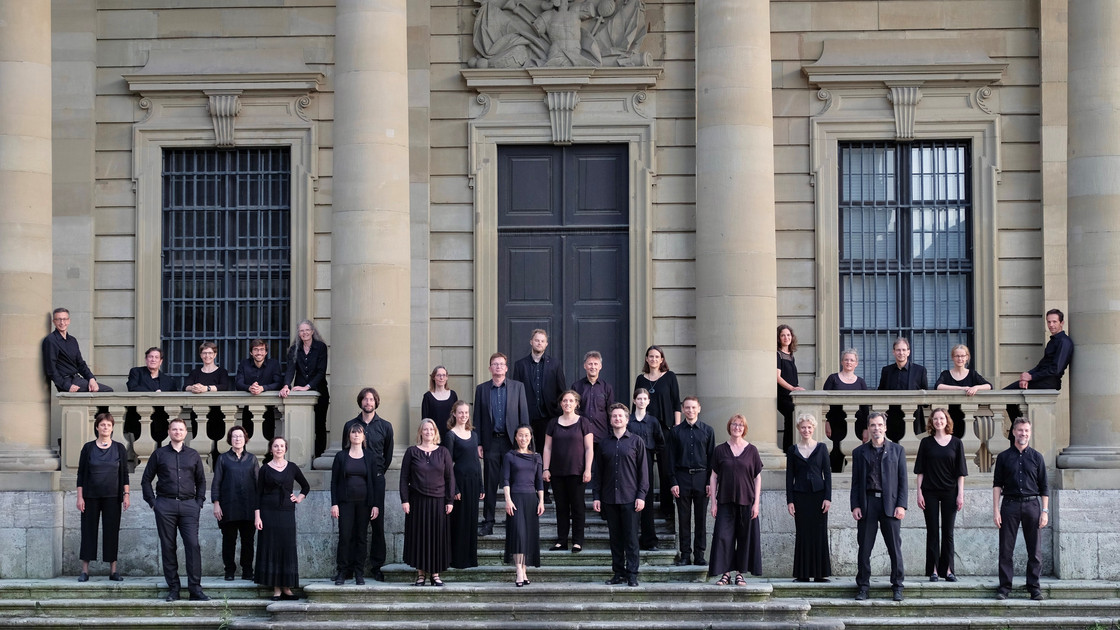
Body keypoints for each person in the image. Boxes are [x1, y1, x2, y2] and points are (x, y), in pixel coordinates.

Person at [140, 417, 208, 602]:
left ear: (186, 433)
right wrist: (154, 503)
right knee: (168, 547)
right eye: (174, 429)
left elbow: (201, 481)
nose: (178, 432)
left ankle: (195, 589)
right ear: (169, 432)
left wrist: (199, 502)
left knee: (193, 546)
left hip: (189, 506)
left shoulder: (193, 455)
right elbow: (146, 480)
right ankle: (174, 589)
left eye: (181, 429)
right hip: (165, 506)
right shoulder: (159, 454)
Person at [851, 411, 907, 602]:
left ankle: (898, 586)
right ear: (868, 428)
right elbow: (855, 482)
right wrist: (855, 505)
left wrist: (902, 505)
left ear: (885, 427)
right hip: (867, 503)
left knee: (895, 549)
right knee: (864, 548)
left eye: (879, 425)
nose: (876, 428)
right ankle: (863, 587)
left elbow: (903, 481)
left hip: (890, 504)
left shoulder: (897, 451)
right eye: (873, 425)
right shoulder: (859, 452)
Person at [592, 403, 648, 587]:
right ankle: (618, 573)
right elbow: (598, 472)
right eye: (614, 416)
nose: (617, 419)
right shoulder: (603, 444)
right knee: (615, 539)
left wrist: (641, 495)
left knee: (631, 538)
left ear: (626, 419)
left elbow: (643, 472)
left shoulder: (636, 441)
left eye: (620, 416)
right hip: (609, 498)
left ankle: (632, 574)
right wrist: (596, 496)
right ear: (610, 420)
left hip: (631, 498)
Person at [340, 387, 393, 582]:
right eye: (365, 399)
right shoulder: (350, 425)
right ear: (360, 402)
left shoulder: (385, 426)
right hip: (354, 482)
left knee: (377, 525)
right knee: (353, 527)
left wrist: (376, 474)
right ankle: (350, 569)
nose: (368, 403)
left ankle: (377, 566)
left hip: (377, 480)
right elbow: (345, 452)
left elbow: (388, 455)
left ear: (376, 402)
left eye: (371, 400)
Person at [993, 416, 1049, 601]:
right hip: (1009, 505)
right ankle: (1004, 588)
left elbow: (1044, 487)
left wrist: (1045, 511)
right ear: (1014, 432)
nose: (1023, 433)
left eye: (1026, 430)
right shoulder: (1003, 457)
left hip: (1032, 505)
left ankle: (1034, 587)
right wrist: (995, 510)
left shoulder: (1037, 457)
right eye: (1020, 430)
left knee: (1034, 550)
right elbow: (997, 485)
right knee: (1006, 549)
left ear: (1029, 433)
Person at [474, 352, 529, 536]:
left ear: (506, 368)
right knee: (490, 484)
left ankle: (514, 521)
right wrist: (479, 443)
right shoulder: (482, 389)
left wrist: (525, 443)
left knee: (515, 482)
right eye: (494, 364)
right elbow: (478, 418)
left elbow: (524, 417)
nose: (498, 367)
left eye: (501, 364)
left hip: (512, 442)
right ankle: (488, 522)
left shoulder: (518, 387)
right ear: (490, 368)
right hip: (491, 442)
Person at [511, 329, 567, 501]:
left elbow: (562, 391)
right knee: (526, 452)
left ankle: (545, 491)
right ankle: (526, 488)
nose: (539, 343)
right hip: (527, 417)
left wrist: (558, 414)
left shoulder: (555, 364)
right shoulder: (520, 365)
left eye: (542, 341)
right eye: (537, 340)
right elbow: (515, 392)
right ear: (531, 342)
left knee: (545, 454)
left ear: (546, 344)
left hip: (548, 417)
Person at [709, 414, 763, 586]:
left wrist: (756, 504)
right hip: (725, 501)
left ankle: (740, 574)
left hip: (747, 501)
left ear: (744, 428)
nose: (737, 427)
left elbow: (757, 478)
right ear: (729, 426)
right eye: (734, 424)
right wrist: (713, 503)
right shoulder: (720, 450)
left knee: (744, 538)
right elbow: (713, 477)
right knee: (723, 537)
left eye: (740, 425)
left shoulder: (752, 450)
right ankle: (725, 574)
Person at [400, 419, 455, 586]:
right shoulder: (412, 452)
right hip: (417, 502)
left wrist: (450, 500)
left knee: (436, 538)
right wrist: (405, 500)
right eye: (425, 429)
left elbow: (450, 478)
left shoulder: (443, 452)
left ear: (435, 432)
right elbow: (404, 478)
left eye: (431, 429)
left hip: (438, 502)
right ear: (420, 432)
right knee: (419, 538)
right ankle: (421, 575)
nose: (428, 432)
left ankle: (435, 574)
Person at [76, 411, 130, 582]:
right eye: (102, 424)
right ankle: (85, 571)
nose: (105, 427)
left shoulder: (119, 448)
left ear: (112, 428)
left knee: (112, 532)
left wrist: (126, 495)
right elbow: (80, 474)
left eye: (108, 425)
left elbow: (125, 474)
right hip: (90, 496)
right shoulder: (88, 448)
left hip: (113, 497)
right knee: (88, 531)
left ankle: (113, 571)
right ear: (97, 427)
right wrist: (80, 497)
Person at [915, 408, 967, 583]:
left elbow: (961, 472)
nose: (939, 421)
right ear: (932, 422)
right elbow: (920, 470)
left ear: (947, 421)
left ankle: (949, 570)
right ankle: (934, 570)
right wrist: (919, 492)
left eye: (942, 418)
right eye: (935, 419)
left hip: (950, 492)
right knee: (932, 532)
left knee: (948, 532)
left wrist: (960, 495)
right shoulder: (926, 443)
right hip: (929, 491)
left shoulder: (956, 443)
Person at [254, 436, 309, 601]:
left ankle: (287, 587)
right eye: (275, 446)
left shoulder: (292, 467)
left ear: (286, 449)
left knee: (287, 547)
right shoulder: (264, 469)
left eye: (282, 446)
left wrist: (299, 498)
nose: (279, 449)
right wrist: (257, 517)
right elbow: (257, 494)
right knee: (272, 547)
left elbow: (306, 486)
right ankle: (276, 588)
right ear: (271, 449)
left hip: (286, 511)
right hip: (268, 512)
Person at [330, 425, 383, 585]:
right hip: (345, 503)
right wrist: (335, 504)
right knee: (345, 537)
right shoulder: (341, 456)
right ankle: (343, 572)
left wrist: (375, 504)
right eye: (353, 432)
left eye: (359, 432)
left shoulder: (370, 456)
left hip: (364, 503)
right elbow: (334, 482)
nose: (356, 435)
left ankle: (359, 573)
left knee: (361, 537)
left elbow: (373, 482)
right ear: (349, 436)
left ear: (363, 437)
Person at [1004, 309, 1074, 428]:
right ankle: (1019, 430)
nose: (1051, 325)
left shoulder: (1064, 342)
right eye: (1049, 322)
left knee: (1006, 395)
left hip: (1049, 382)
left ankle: (1017, 432)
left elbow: (1056, 369)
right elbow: (1041, 365)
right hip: (1042, 379)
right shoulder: (1053, 341)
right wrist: (1026, 376)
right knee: (1006, 396)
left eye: (1054, 322)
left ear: (1062, 323)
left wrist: (1031, 377)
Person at [542, 390, 593, 553]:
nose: (567, 404)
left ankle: (577, 541)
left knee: (578, 507)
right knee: (561, 508)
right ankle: (561, 540)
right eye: (564, 401)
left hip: (577, 472)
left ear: (577, 403)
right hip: (557, 472)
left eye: (571, 401)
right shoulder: (553, 423)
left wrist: (588, 469)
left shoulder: (584, 422)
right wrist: (545, 468)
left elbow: (589, 448)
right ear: (561, 404)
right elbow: (547, 448)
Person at [634, 345, 681, 521]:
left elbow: (676, 402)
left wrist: (676, 426)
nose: (653, 359)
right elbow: (635, 404)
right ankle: (643, 508)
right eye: (650, 356)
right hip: (643, 429)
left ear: (662, 360)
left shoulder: (669, 377)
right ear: (646, 359)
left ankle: (666, 509)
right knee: (643, 468)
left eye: (657, 356)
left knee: (666, 468)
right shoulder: (641, 379)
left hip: (666, 429)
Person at [667, 396, 715, 567]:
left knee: (701, 518)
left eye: (693, 407)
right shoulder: (675, 432)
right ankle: (685, 554)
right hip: (682, 477)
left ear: (699, 408)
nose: (690, 410)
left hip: (702, 478)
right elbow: (670, 459)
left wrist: (711, 482)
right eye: (687, 408)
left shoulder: (708, 431)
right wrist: (673, 481)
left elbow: (712, 459)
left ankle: (700, 555)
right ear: (683, 409)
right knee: (684, 518)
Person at [785, 412, 832, 583]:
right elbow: (789, 477)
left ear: (813, 429)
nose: (806, 430)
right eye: (803, 427)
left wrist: (828, 498)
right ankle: (802, 573)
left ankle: (820, 574)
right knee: (803, 534)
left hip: (819, 496)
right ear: (798, 429)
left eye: (809, 427)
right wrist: (789, 500)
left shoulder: (821, 448)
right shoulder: (792, 450)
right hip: (800, 496)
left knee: (819, 533)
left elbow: (827, 474)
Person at [211, 426, 259, 582]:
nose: (237, 439)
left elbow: (258, 483)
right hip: (228, 506)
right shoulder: (223, 458)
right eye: (234, 436)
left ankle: (247, 570)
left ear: (245, 439)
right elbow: (216, 482)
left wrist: (259, 507)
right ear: (230, 439)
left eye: (240, 436)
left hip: (248, 506)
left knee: (248, 541)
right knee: (229, 540)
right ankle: (229, 570)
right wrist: (216, 503)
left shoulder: (252, 459)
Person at [279, 319, 330, 457]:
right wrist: (286, 385)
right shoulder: (294, 349)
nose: (305, 333)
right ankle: (303, 457)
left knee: (319, 425)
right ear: (299, 333)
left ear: (312, 331)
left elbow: (321, 371)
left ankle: (318, 457)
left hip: (319, 391)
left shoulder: (321, 347)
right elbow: (290, 370)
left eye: (307, 330)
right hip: (300, 393)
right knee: (302, 426)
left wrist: (307, 387)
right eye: (302, 330)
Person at [503, 425, 544, 586]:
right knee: (518, 535)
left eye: (526, 435)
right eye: (520, 435)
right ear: (515, 437)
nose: (523, 439)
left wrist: (541, 501)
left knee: (528, 537)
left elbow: (539, 481)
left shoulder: (536, 457)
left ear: (530, 437)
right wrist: (507, 499)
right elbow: (505, 479)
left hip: (531, 500)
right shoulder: (510, 456)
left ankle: (524, 570)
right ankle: (519, 570)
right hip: (516, 498)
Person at [444, 400, 482, 569]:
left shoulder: (473, 434)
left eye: (466, 413)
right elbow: (448, 464)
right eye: (460, 413)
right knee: (460, 521)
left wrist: (481, 485)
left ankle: (470, 559)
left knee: (472, 520)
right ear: (454, 414)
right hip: (460, 482)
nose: (464, 416)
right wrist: (454, 488)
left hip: (474, 482)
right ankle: (458, 559)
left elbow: (476, 461)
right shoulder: (450, 435)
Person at [627, 388, 665, 550]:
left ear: (648, 401)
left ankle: (649, 540)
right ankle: (630, 540)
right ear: (634, 401)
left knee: (647, 501)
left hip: (647, 461)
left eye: (645, 398)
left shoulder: (653, 421)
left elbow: (661, 442)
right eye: (639, 398)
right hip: (628, 463)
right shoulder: (628, 421)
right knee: (629, 501)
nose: (642, 401)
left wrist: (649, 454)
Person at [42, 307, 113, 392]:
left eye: (65, 319)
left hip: (77, 379)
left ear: (69, 321)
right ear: (54, 322)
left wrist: (91, 378)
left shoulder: (72, 340)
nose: (62, 322)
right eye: (58, 319)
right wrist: (66, 386)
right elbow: (51, 369)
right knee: (107, 391)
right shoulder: (51, 340)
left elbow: (81, 364)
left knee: (106, 391)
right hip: (67, 382)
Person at [822, 348, 869, 471]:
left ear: (856, 363)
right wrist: (826, 423)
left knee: (855, 456)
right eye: (846, 359)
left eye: (852, 360)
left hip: (856, 425)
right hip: (835, 424)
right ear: (842, 362)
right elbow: (824, 404)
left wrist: (865, 429)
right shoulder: (833, 379)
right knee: (835, 454)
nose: (849, 362)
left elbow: (865, 408)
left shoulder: (861, 382)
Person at [935, 344, 992, 439]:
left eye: (962, 356)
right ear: (953, 357)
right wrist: (960, 388)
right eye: (957, 356)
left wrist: (976, 387)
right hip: (949, 416)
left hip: (967, 416)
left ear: (967, 357)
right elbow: (938, 386)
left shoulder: (972, 374)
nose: (960, 359)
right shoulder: (946, 374)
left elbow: (989, 386)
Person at [878, 337, 928, 442]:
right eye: (898, 350)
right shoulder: (886, 371)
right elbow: (880, 393)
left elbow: (925, 398)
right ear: (893, 352)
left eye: (904, 350)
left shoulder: (920, 370)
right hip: (892, 418)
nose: (901, 353)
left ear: (908, 352)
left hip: (913, 417)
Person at [125, 346, 175, 443]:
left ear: (161, 361)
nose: (153, 359)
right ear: (146, 359)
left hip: (161, 422)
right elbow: (133, 388)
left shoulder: (169, 381)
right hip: (139, 419)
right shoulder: (136, 372)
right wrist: (155, 393)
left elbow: (175, 400)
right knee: (141, 450)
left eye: (156, 357)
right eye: (150, 357)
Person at [571, 351, 615, 442]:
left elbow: (610, 411)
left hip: (602, 435)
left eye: (596, 364)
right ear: (585, 366)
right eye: (590, 364)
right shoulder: (576, 386)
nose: (593, 367)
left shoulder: (607, 387)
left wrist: (611, 433)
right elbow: (573, 410)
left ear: (600, 366)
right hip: (581, 434)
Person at [777, 324, 805, 452]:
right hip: (782, 396)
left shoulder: (791, 355)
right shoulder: (777, 355)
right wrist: (792, 388)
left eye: (788, 335)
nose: (786, 337)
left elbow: (792, 377)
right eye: (783, 335)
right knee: (792, 416)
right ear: (778, 338)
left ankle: (792, 450)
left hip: (792, 394)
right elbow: (777, 377)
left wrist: (798, 388)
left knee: (793, 421)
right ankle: (788, 451)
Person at [421, 366, 458, 436]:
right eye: (438, 375)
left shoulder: (453, 395)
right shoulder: (427, 396)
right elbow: (425, 420)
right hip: (433, 436)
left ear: (447, 377)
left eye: (444, 375)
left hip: (451, 435)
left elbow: (456, 416)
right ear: (433, 377)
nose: (441, 378)